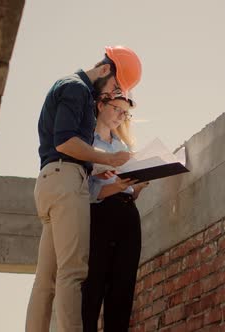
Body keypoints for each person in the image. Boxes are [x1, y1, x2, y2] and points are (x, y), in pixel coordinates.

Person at [26, 46, 142, 332]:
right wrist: (107, 158)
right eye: (115, 86)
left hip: (51, 179)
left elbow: (62, 145)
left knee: (46, 279)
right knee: (73, 273)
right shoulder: (77, 89)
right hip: (67, 180)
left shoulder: (70, 88)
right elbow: (65, 142)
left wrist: (103, 168)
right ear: (104, 70)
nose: (111, 93)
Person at [81, 94, 149, 332]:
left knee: (123, 287)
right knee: (93, 286)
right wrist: (116, 187)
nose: (121, 116)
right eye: (117, 109)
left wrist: (137, 186)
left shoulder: (123, 147)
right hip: (100, 217)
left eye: (125, 113)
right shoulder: (86, 143)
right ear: (100, 105)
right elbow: (86, 191)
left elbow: (127, 188)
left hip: (128, 215)